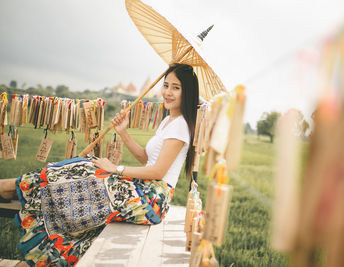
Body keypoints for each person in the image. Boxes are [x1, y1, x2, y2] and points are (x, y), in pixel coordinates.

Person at [0, 63, 199, 267]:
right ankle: (18, 189)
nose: (168, 92)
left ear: (187, 92)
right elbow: (146, 159)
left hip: (153, 199)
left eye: (176, 87)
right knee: (86, 168)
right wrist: (123, 132)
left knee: (89, 171)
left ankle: (10, 187)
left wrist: (116, 169)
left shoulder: (181, 125)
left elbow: (158, 172)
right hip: (145, 188)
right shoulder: (168, 121)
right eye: (166, 85)